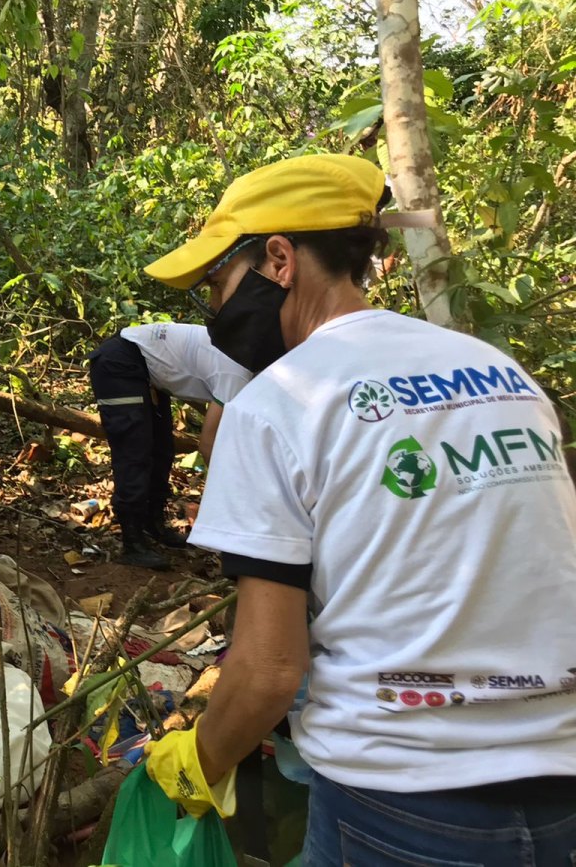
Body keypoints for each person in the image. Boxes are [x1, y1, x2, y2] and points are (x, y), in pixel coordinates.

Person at [140, 153, 576, 864]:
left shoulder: (278, 404)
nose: (214, 312)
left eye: (217, 284)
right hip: (562, 780)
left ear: (279, 260)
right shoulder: (501, 375)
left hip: (398, 798)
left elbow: (270, 671)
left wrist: (199, 763)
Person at [89, 323, 251, 569]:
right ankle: (132, 542)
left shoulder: (247, 362)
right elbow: (208, 444)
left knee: (162, 450)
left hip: (151, 372)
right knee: (135, 451)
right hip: (121, 362)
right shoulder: (238, 372)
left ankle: (153, 524)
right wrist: (231, 497)